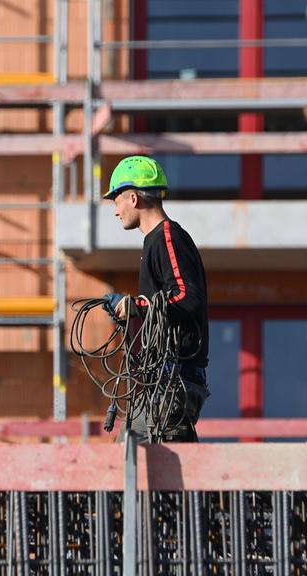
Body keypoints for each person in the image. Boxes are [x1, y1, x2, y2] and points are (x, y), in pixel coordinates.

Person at [102, 155, 209, 443]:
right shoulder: (156, 241)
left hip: (174, 383)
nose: (115, 210)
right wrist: (133, 311)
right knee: (132, 455)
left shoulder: (168, 237)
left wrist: (136, 306)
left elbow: (188, 297)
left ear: (133, 198)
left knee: (162, 471)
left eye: (116, 200)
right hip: (161, 384)